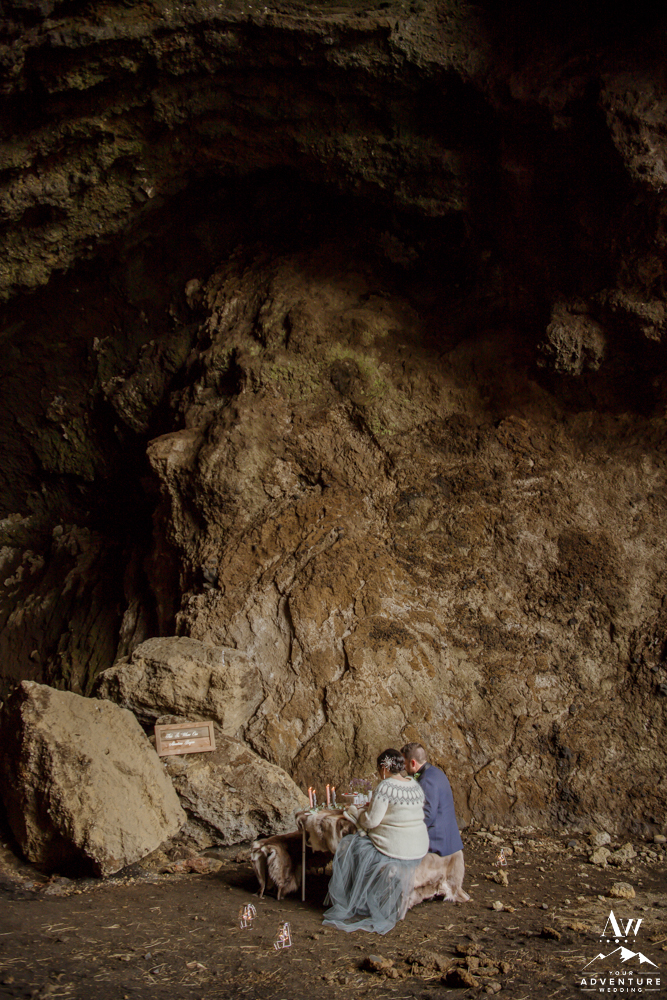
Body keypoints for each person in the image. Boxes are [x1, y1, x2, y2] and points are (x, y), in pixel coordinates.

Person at [322, 748, 428, 934]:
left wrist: (356, 812)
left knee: (351, 846)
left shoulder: (386, 787)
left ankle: (356, 900)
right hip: (418, 847)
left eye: (379, 770)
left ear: (384, 768)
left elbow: (372, 821)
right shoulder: (413, 784)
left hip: (396, 848)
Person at [401, 742, 464, 856]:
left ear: (413, 762)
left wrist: (407, 828)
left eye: (405, 764)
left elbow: (428, 815)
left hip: (438, 843)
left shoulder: (426, 780)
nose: (404, 768)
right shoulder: (435, 772)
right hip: (450, 840)